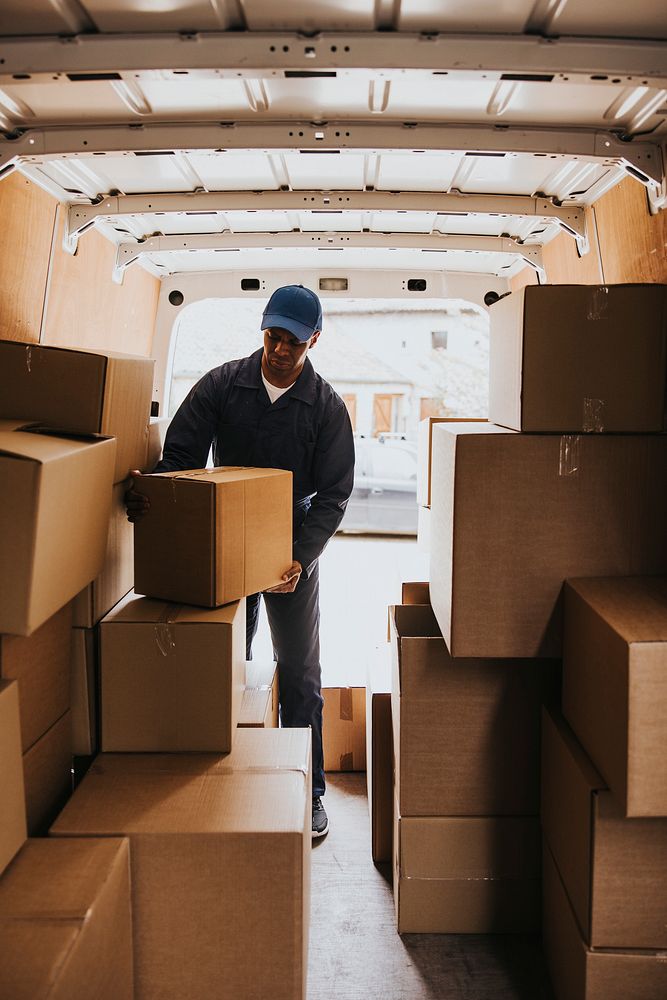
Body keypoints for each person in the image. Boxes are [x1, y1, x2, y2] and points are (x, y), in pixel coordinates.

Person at [125, 284, 355, 838]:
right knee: (228, 665)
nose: (278, 350)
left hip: (290, 549)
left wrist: (300, 557)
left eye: (292, 343)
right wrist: (153, 492)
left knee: (299, 669)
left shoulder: (325, 409)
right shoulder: (222, 385)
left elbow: (335, 494)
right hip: (225, 542)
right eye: (272, 336)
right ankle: (231, 773)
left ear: (313, 341)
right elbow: (181, 457)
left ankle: (310, 789)